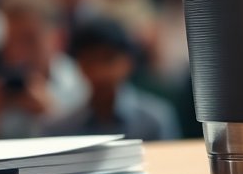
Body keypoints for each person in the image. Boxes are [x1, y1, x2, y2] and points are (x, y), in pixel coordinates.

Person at [0, 0, 87, 139]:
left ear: (58, 39)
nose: (17, 52)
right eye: (10, 41)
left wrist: (50, 114)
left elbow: (84, 148)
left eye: (29, 40)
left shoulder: (79, 84)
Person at [44, 19, 180, 141]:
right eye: (90, 62)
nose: (99, 72)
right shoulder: (60, 129)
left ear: (128, 62)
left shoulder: (155, 120)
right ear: (79, 66)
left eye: (108, 60)